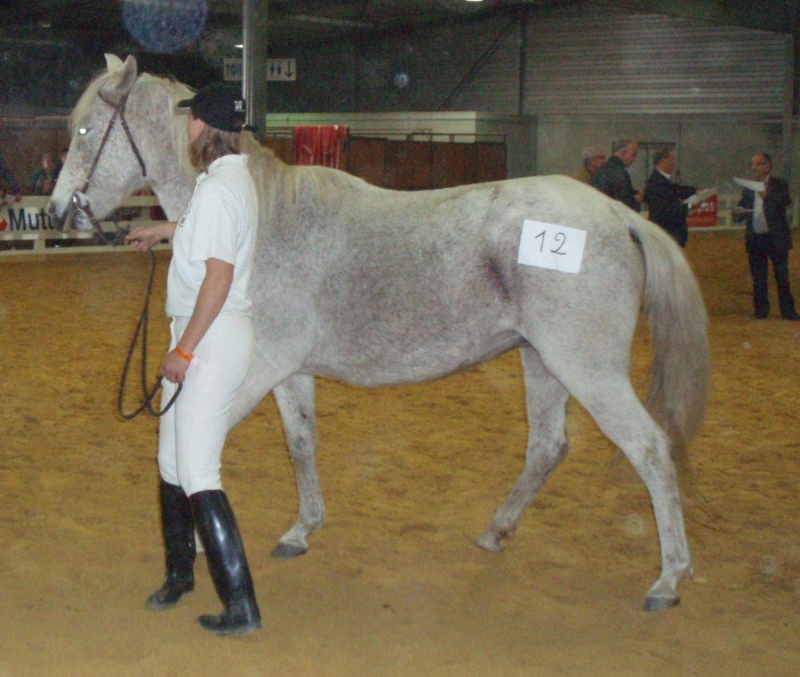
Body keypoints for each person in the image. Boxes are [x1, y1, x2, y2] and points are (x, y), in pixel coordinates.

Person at [125, 82, 261, 634]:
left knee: (199, 471)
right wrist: (166, 229)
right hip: (210, 335)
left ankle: (242, 608)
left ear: (202, 127)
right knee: (172, 464)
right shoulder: (227, 182)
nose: (187, 129)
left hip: (210, 338)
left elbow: (219, 276)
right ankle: (180, 573)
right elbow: (210, 241)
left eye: (190, 121)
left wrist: (184, 349)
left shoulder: (218, 191)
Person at [733, 152, 798, 320]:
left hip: (776, 238)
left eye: (757, 164)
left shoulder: (779, 184)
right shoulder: (749, 187)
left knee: (782, 277)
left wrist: (767, 197)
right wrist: (737, 213)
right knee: (759, 278)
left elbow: (785, 202)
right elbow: (742, 207)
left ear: (767, 166)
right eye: (752, 164)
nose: (753, 167)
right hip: (756, 238)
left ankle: (788, 311)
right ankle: (761, 311)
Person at [643, 147, 697, 247]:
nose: (673, 163)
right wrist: (689, 206)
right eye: (671, 160)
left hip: (666, 234)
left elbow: (677, 189)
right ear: (663, 160)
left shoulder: (660, 181)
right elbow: (667, 212)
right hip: (666, 235)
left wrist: (694, 191)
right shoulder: (657, 183)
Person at [592, 139, 643, 211]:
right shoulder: (620, 173)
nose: (634, 159)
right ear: (624, 153)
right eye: (634, 154)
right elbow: (625, 207)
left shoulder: (600, 170)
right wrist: (636, 201)